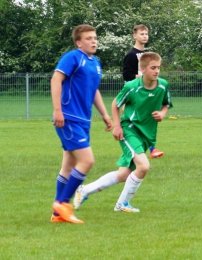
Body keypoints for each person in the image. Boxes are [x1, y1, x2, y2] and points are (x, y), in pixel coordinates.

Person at [74, 52, 172, 212]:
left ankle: (85, 190)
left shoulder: (163, 85)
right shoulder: (132, 87)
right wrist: (117, 126)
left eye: (158, 68)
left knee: (124, 174)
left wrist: (162, 114)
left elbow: (166, 104)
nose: (156, 71)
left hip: (147, 136)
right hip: (129, 130)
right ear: (142, 69)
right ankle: (122, 204)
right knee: (144, 166)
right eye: (153, 68)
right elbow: (116, 103)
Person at [50, 24, 113, 224]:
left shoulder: (95, 63)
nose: (94, 41)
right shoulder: (72, 57)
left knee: (68, 165)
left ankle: (57, 214)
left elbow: (93, 90)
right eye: (88, 38)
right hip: (69, 117)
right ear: (79, 42)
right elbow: (55, 80)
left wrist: (104, 114)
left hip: (83, 120)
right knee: (87, 161)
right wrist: (58, 110)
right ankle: (63, 204)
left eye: (95, 37)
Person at [123, 24, 164, 159]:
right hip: (135, 94)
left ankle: (150, 149)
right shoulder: (131, 55)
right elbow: (127, 75)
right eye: (142, 34)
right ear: (135, 36)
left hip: (146, 93)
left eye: (146, 34)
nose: (145, 36)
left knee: (149, 119)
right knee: (138, 123)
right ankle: (142, 152)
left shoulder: (146, 55)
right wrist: (143, 77)